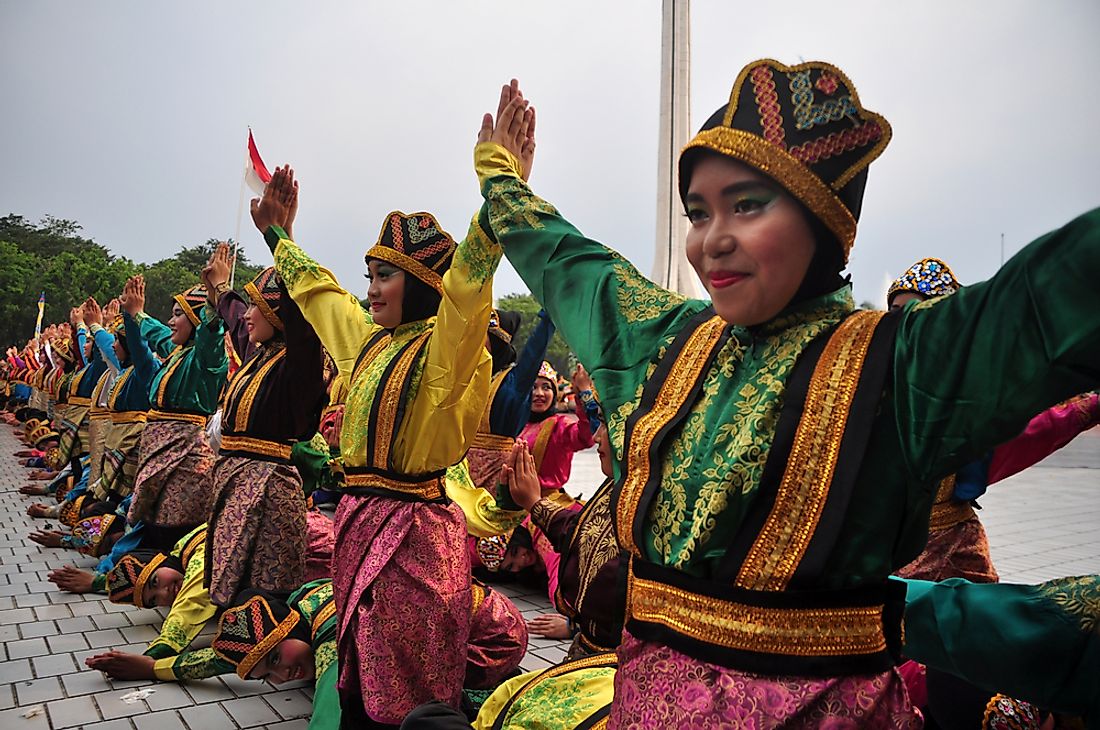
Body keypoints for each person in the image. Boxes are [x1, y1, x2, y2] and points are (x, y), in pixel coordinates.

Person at [471, 68, 1100, 727]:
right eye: (698, 212)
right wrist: (502, 182)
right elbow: (572, 264)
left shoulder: (901, 364)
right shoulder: (672, 341)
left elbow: (1054, 297)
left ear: (822, 216)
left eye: (746, 205)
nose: (712, 238)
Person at [255, 159, 509, 725]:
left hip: (417, 539)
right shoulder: (370, 345)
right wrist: (279, 237)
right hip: (359, 522)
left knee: (408, 682)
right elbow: (323, 298)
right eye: (368, 276)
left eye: (384, 277)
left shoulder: (447, 353)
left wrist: (499, 183)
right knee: (356, 670)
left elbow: (467, 297)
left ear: (420, 286)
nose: (369, 290)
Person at [202, 242, 327, 606]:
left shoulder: (297, 366)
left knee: (262, 591)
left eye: (257, 306)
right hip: (235, 482)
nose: (247, 315)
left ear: (278, 314)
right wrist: (221, 289)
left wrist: (281, 241)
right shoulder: (259, 357)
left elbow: (302, 327)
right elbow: (236, 318)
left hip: (270, 493)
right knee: (234, 586)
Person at [124, 275, 228, 550]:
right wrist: (135, 313)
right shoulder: (178, 353)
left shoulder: (206, 359)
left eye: (178, 314)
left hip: (186, 460)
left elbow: (212, 333)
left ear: (197, 321)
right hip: (158, 451)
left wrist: (215, 294)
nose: (171, 322)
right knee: (152, 525)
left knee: (171, 531)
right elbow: (157, 334)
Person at [517, 359, 594, 505]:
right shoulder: (514, 424)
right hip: (512, 503)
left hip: (547, 504)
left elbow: (587, 436)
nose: (539, 393)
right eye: (533, 387)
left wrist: (584, 393)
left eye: (546, 387)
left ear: (554, 394)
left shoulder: (560, 426)